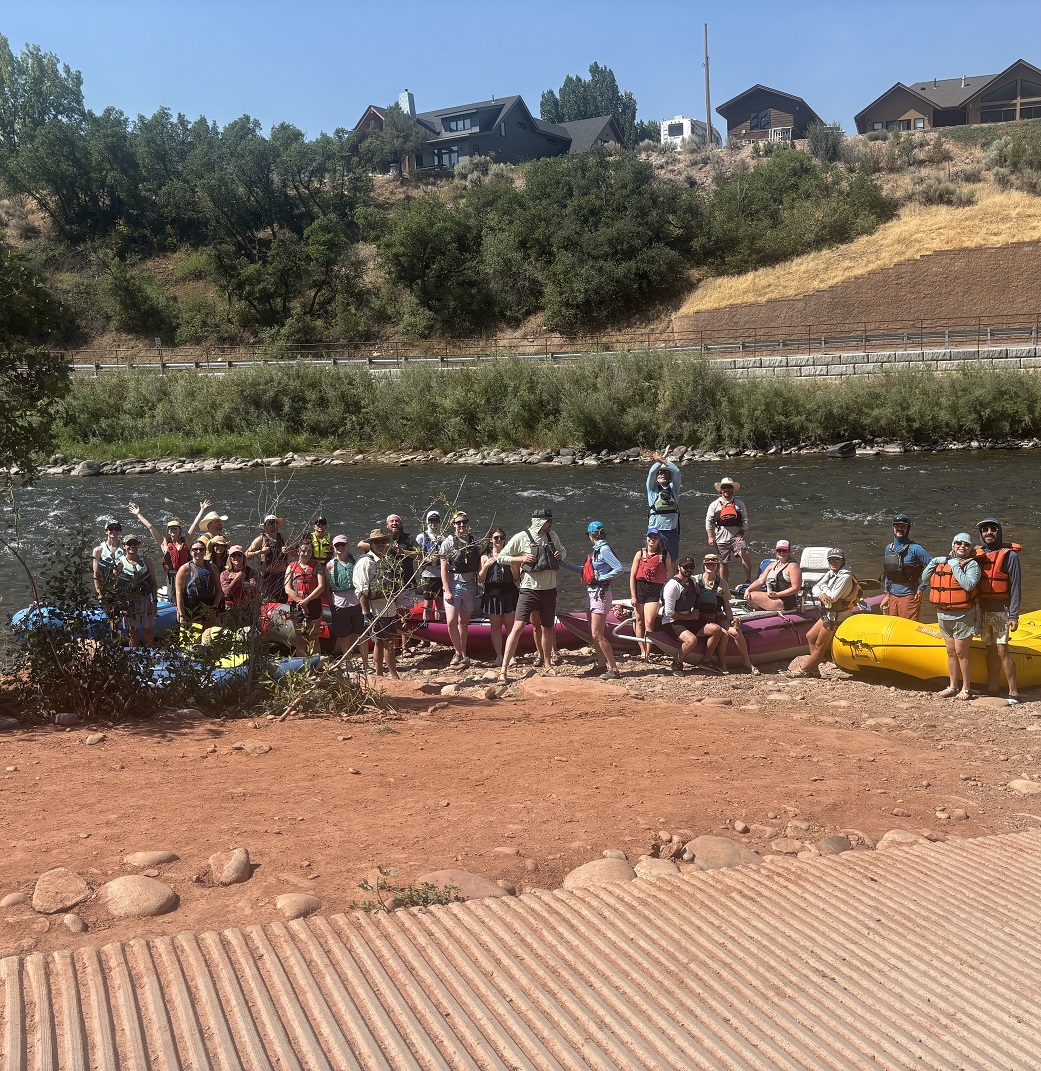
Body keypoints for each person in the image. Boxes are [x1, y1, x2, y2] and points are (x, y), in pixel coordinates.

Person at [497, 508, 566, 682]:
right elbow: (501, 557)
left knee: (548, 627)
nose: (551, 524)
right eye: (548, 521)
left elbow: (563, 552)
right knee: (518, 626)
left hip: (549, 589)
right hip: (529, 589)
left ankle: (548, 664)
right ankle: (503, 669)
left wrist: (560, 555)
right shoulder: (521, 537)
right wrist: (521, 559)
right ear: (540, 522)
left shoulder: (553, 536)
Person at [920, 533, 982, 700]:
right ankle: (952, 686)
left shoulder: (972, 565)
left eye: (966, 544)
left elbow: (968, 585)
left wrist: (955, 566)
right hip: (943, 615)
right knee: (950, 651)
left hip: (964, 615)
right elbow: (925, 578)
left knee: (962, 652)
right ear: (953, 545)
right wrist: (933, 563)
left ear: (970, 547)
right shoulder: (942, 563)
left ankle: (966, 688)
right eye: (958, 543)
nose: (962, 546)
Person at [790, 548, 859, 679]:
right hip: (828, 613)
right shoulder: (831, 573)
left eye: (836, 560)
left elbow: (832, 597)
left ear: (843, 561)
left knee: (819, 645)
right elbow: (816, 587)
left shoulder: (845, 577)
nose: (833, 562)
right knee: (810, 636)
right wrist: (822, 592)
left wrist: (823, 590)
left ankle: (803, 670)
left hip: (836, 617)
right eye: (830, 559)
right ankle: (814, 670)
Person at [975, 517, 1022, 704]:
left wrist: (1014, 614)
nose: (988, 532)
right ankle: (993, 688)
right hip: (983, 610)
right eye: (985, 530)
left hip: (1002, 611)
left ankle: (1014, 692)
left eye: (992, 529)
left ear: (998, 532)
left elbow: (1016, 587)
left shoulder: (1010, 556)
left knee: (1002, 649)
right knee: (990, 650)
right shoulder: (978, 555)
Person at [692, 553, 760, 674]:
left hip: (717, 616)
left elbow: (727, 606)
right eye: (708, 564)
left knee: (736, 632)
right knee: (724, 634)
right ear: (704, 566)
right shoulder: (695, 580)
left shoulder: (723, 584)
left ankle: (747, 663)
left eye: (713, 564)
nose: (710, 566)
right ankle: (722, 663)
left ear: (717, 566)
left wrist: (730, 620)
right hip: (701, 617)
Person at [128, 500, 208, 594]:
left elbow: (194, 525)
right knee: (173, 597)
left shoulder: (186, 541)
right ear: (168, 532)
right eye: (171, 529)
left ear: (179, 530)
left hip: (186, 574)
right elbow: (150, 527)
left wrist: (202, 510)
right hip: (172, 577)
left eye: (175, 528)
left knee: (188, 596)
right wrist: (138, 514)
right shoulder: (164, 543)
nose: (173, 530)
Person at [354, 528, 401, 679]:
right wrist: (366, 614)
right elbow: (362, 591)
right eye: (376, 542)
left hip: (389, 608)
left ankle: (379, 674)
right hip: (375, 610)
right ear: (371, 544)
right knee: (387, 642)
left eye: (383, 541)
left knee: (381, 642)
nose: (380, 544)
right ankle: (393, 676)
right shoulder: (365, 563)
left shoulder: (387, 561)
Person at [438, 511, 482, 666]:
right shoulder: (448, 543)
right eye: (458, 523)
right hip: (453, 583)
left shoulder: (474, 541)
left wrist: (480, 583)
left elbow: (479, 565)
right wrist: (447, 589)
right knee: (451, 621)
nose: (462, 525)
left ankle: (463, 655)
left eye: (464, 522)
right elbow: (443, 568)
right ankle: (457, 652)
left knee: (463, 622)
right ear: (453, 525)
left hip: (470, 584)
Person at [582, 522, 625, 679]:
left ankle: (613, 669)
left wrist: (601, 577)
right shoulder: (597, 550)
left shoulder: (604, 549)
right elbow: (585, 570)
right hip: (592, 594)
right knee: (594, 634)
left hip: (600, 594)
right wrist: (563, 564)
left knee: (597, 634)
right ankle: (601, 665)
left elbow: (618, 568)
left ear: (592, 534)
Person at [326, 534, 368, 674]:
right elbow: (327, 587)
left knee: (361, 635)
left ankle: (366, 664)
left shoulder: (355, 562)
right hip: (339, 605)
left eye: (343, 545)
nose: (340, 548)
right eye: (337, 545)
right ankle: (348, 663)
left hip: (356, 604)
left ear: (348, 546)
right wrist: (331, 605)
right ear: (333, 548)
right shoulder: (330, 565)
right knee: (344, 637)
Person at [629, 529, 673, 661]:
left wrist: (667, 593)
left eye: (655, 537)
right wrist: (633, 596)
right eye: (650, 537)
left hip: (654, 590)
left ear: (659, 540)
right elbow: (632, 575)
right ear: (647, 538)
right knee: (639, 621)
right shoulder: (640, 554)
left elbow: (670, 575)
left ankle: (648, 651)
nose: (652, 540)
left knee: (649, 622)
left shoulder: (664, 555)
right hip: (640, 589)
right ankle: (642, 650)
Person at [479, 527, 518, 668]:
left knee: (510, 626)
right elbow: (481, 579)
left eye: (501, 537)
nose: (499, 540)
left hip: (509, 592)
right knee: (495, 627)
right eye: (496, 538)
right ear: (491, 540)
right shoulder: (485, 556)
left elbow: (516, 577)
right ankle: (499, 656)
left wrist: (513, 564)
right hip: (492, 594)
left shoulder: (510, 555)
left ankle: (511, 656)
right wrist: (486, 566)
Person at [881, 514, 930, 620]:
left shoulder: (916, 549)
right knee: (893, 629)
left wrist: (922, 588)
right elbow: (888, 574)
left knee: (908, 629)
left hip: (909, 596)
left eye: (903, 526)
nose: (899, 529)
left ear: (908, 528)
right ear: (893, 527)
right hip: (892, 596)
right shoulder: (889, 549)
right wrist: (887, 594)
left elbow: (934, 567)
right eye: (897, 526)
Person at [661, 556, 703, 675]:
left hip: (688, 618)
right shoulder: (672, 586)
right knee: (691, 640)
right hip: (671, 622)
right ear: (679, 568)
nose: (689, 570)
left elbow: (696, 598)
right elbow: (668, 612)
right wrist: (689, 617)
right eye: (686, 567)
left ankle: (707, 660)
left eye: (691, 567)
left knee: (716, 630)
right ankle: (677, 662)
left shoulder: (692, 582)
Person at [705, 477, 752, 584]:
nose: (726, 489)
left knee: (744, 552)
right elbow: (708, 521)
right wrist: (710, 536)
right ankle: (724, 585)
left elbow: (745, 519)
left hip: (736, 537)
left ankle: (748, 580)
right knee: (723, 563)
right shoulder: (714, 505)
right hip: (721, 538)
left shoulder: (739, 504)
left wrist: (742, 532)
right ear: (721, 490)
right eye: (724, 487)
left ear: (732, 490)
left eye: (729, 487)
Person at [284, 540, 326, 655]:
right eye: (303, 551)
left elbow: (321, 586)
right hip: (297, 606)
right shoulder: (291, 567)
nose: (306, 553)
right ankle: (302, 667)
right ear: (298, 551)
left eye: (309, 551)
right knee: (300, 639)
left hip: (314, 604)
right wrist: (300, 601)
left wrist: (307, 600)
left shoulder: (316, 566)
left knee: (314, 638)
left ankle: (316, 665)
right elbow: (287, 588)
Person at [116, 534, 158, 647]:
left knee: (148, 631)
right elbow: (116, 588)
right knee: (132, 633)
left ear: (138, 545)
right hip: (130, 603)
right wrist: (123, 607)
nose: (132, 546)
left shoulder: (146, 561)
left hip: (145, 601)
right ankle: (134, 658)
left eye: (134, 543)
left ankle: (150, 656)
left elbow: (153, 583)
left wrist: (154, 602)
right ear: (124, 546)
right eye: (129, 544)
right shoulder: (120, 564)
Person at [175, 539, 220, 635]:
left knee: (210, 637)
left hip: (208, 605)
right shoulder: (185, 569)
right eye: (195, 549)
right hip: (191, 608)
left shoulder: (212, 567)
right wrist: (182, 614)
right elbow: (179, 593)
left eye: (201, 549)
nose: (198, 552)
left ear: (205, 551)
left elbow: (218, 590)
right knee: (193, 639)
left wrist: (214, 607)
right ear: (191, 552)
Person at [744, 540, 802, 611]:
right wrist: (748, 589)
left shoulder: (793, 566)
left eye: (784, 551)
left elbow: (796, 588)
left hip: (785, 600)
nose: (781, 553)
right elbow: (760, 581)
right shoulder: (773, 565)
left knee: (752, 596)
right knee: (749, 595)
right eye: (779, 551)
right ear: (776, 552)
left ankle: (762, 608)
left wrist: (778, 594)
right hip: (773, 596)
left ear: (789, 552)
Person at [646, 450, 682, 564]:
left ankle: (670, 580)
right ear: (657, 477)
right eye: (660, 473)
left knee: (672, 560)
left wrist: (663, 460)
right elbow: (652, 473)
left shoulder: (674, 489)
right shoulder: (652, 490)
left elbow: (677, 472)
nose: (662, 474)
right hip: (655, 531)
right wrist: (659, 460)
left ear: (670, 477)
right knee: (655, 560)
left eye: (665, 473)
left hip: (672, 531)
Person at [247, 514, 289, 603]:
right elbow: (246, 555)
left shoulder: (284, 538)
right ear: (265, 525)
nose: (273, 525)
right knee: (268, 602)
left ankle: (283, 617)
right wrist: (260, 552)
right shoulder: (260, 539)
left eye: (274, 523)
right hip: (267, 577)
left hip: (282, 576)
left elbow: (296, 554)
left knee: (283, 602)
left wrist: (287, 550)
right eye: (270, 523)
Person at [415, 510, 444, 621]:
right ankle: (426, 625)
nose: (434, 524)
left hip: (441, 574)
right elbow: (416, 554)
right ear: (427, 522)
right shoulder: (421, 537)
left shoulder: (445, 536)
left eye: (436, 521)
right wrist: (425, 558)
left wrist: (444, 540)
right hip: (428, 575)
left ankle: (439, 626)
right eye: (431, 521)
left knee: (440, 602)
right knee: (428, 603)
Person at [219, 545, 259, 627]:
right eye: (233, 555)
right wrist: (237, 579)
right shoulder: (224, 574)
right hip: (231, 610)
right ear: (230, 558)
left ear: (243, 557)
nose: (236, 557)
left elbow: (253, 589)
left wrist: (240, 579)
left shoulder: (252, 572)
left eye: (239, 555)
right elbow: (227, 592)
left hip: (248, 609)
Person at [92, 519, 126, 602]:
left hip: (123, 588)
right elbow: (96, 574)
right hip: (106, 588)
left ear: (120, 531)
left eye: (117, 529)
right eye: (111, 528)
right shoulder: (98, 550)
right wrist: (99, 593)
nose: (114, 531)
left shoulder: (125, 548)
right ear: (106, 531)